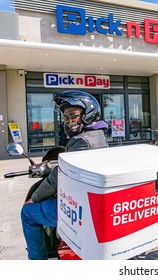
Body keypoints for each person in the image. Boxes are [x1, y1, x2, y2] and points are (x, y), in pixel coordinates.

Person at [21, 90, 109, 260]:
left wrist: (35, 198)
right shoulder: (98, 135)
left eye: (73, 116)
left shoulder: (81, 141)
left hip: (77, 208)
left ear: (87, 115)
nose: (69, 121)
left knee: (27, 213)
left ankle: (37, 262)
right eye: (66, 117)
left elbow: (60, 175)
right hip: (88, 199)